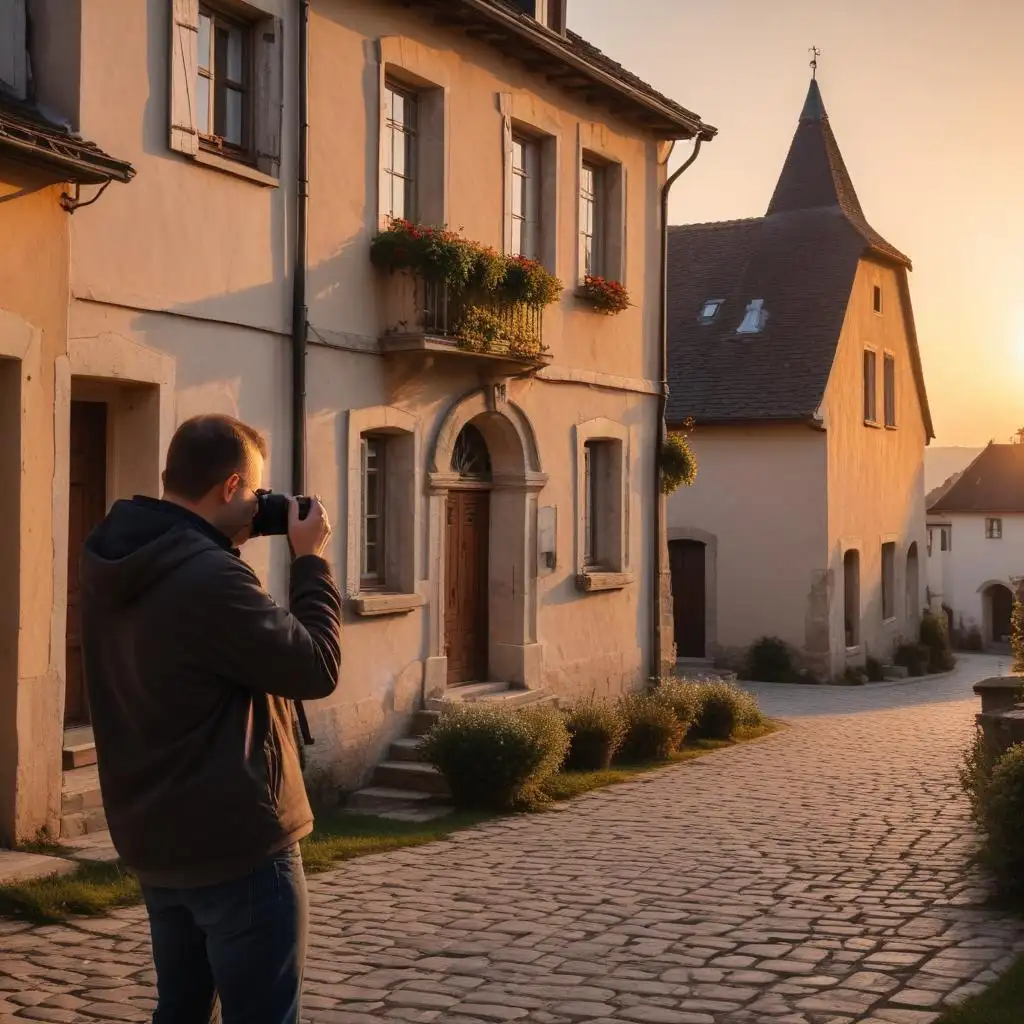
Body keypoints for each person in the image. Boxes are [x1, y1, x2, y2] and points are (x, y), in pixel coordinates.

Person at [79, 414, 342, 1024]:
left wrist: (228, 541)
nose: (259, 506)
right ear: (229, 487)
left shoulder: (116, 556)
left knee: (181, 1011)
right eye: (253, 493)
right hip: (239, 845)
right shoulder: (211, 576)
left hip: (157, 836)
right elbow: (317, 667)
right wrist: (310, 562)